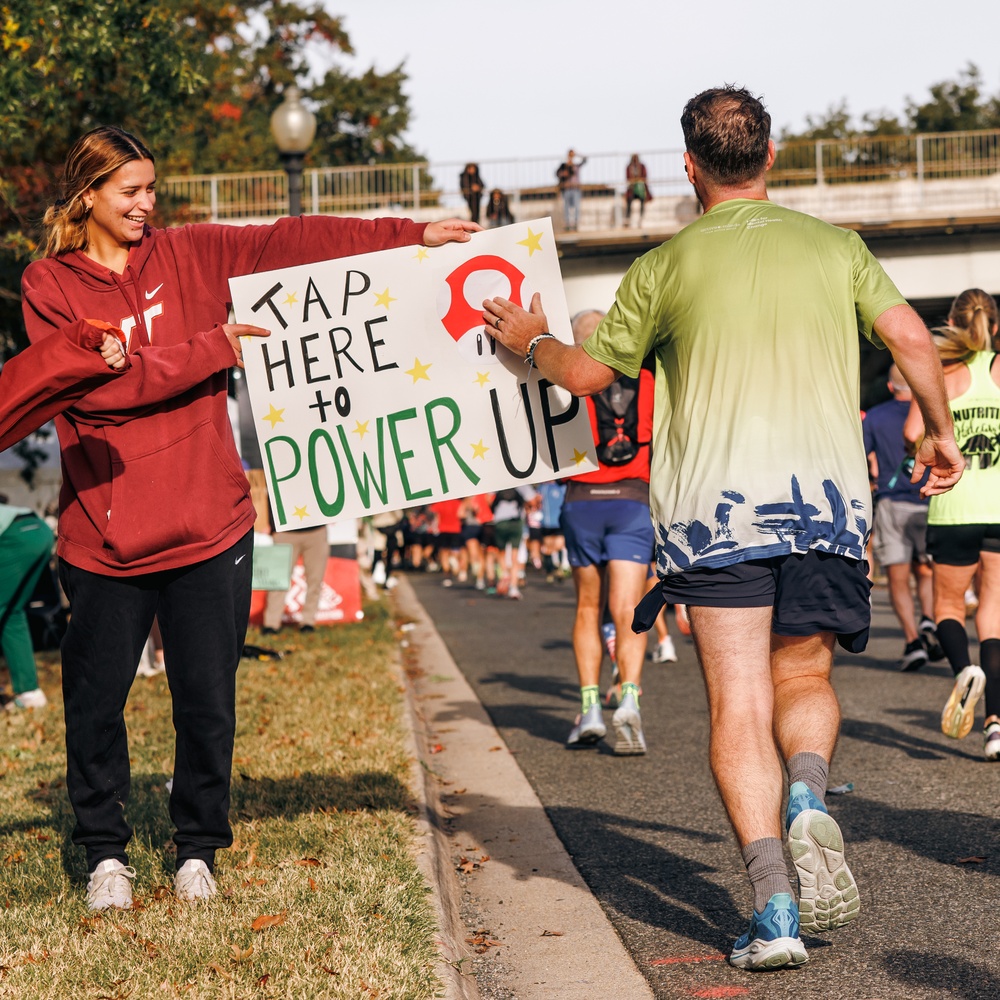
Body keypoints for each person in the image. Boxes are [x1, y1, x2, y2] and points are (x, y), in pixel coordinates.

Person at [483, 86, 962, 971]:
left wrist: (532, 340)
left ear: (690, 166)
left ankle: (775, 912)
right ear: (771, 156)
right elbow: (911, 338)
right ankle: (809, 793)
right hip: (824, 507)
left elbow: (586, 377)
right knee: (805, 674)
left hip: (713, 518)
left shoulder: (665, 265)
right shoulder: (838, 248)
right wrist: (939, 432)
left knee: (738, 703)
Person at [21, 124, 478, 912]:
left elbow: (292, 239)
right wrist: (212, 349)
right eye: (129, 191)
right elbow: (96, 393)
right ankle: (105, 856)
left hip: (212, 527)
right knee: (94, 708)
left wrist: (409, 236)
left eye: (151, 188)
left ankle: (197, 850)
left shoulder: (190, 254)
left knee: (207, 704)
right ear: (87, 195)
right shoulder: (48, 285)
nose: (146, 204)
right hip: (104, 539)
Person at [903, 289, 1000, 759]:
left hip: (952, 506)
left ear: (953, 322)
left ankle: (964, 671)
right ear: (994, 326)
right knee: (993, 613)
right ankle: (996, 725)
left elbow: (910, 433)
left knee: (947, 605)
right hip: (998, 509)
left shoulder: (940, 372)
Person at [560, 310, 655, 754]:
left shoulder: (563, 387)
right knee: (627, 608)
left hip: (582, 501)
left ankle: (590, 708)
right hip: (633, 500)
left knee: (587, 607)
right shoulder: (649, 382)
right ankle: (630, 698)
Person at [863, 364, 943, 670]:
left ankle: (912, 642)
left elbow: (862, 455)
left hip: (891, 502)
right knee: (926, 570)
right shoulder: (933, 414)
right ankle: (929, 619)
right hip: (930, 500)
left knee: (898, 577)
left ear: (890, 387)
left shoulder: (875, 417)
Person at [262, 524, 328, 634]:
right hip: (284, 530)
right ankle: (271, 624)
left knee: (315, 580)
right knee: (278, 580)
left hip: (316, 530)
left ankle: (308, 622)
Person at [556, 149, 587, 231]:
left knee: (576, 206)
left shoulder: (576, 166)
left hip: (576, 188)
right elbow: (558, 174)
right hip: (566, 189)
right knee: (566, 207)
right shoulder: (564, 166)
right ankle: (567, 223)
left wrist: (577, 154)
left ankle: (575, 223)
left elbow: (585, 159)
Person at [624, 154, 651, 227]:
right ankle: (627, 218)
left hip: (640, 189)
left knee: (642, 200)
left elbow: (644, 176)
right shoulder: (629, 167)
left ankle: (641, 218)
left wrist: (639, 180)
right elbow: (628, 177)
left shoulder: (642, 166)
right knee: (629, 200)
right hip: (632, 189)